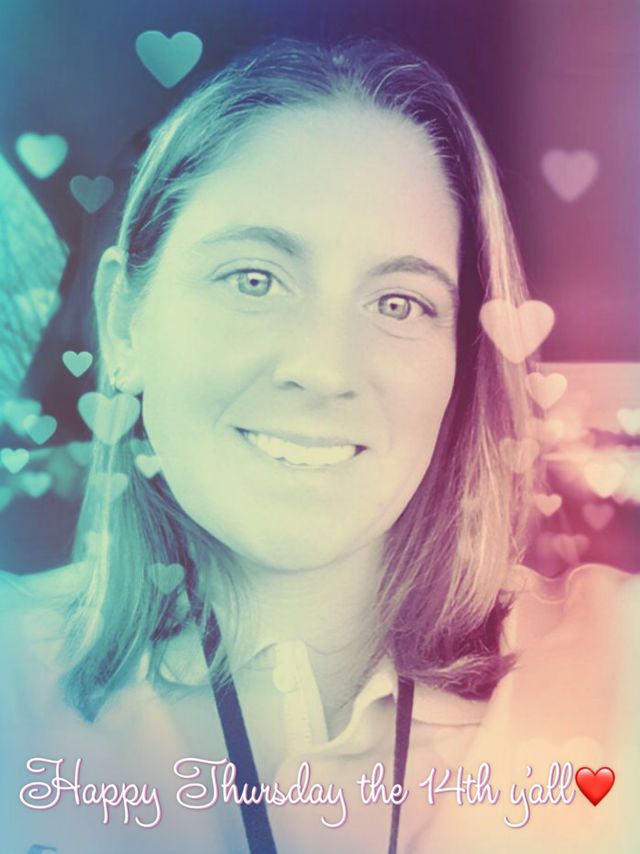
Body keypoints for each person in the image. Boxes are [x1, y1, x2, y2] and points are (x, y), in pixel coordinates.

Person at [0, 36, 637, 854]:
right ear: (125, 322)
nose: (325, 369)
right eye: (254, 279)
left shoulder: (619, 670)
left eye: (400, 303)